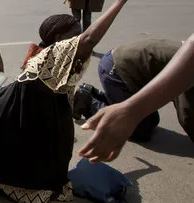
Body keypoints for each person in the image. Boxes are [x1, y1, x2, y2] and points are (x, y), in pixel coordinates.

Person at [0, 0, 136, 203]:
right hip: (13, 113)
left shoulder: (65, 57)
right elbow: (90, 39)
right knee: (14, 167)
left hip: (46, 108)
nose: (79, 38)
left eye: (78, 34)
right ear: (59, 39)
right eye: (75, 34)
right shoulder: (54, 54)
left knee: (55, 157)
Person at [79, 34, 194, 163]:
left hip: (127, 67)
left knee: (151, 119)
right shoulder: (190, 67)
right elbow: (186, 114)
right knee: (142, 130)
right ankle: (87, 101)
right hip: (116, 70)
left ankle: (102, 97)